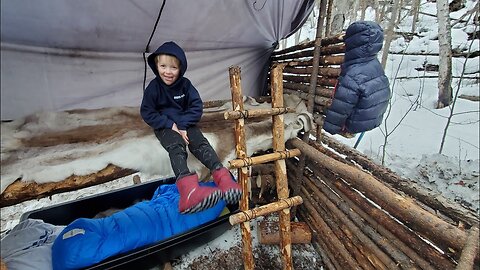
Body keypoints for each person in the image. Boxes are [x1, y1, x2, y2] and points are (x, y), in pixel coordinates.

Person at [140, 41, 242, 214]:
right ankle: (189, 192)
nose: (167, 72)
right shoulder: (153, 88)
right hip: (165, 126)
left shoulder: (186, 85)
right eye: (163, 66)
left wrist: (183, 124)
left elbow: (196, 107)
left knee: (200, 143)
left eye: (173, 67)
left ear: (181, 68)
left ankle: (223, 178)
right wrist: (169, 124)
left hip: (185, 123)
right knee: (177, 147)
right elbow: (147, 112)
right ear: (156, 65)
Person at [323, 21, 391, 136]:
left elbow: (342, 104)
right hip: (373, 119)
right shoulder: (374, 64)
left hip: (354, 124)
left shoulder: (353, 73)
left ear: (352, 42)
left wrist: (330, 127)